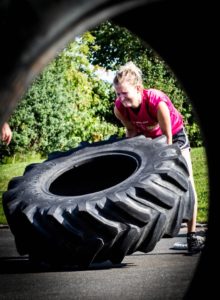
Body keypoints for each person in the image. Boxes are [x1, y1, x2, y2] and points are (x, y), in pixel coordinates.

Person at [113, 61, 204, 254]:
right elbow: (130, 131)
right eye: (118, 93)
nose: (121, 98)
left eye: (125, 93)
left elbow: (168, 138)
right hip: (146, 137)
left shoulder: (157, 101)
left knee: (187, 184)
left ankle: (192, 237)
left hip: (173, 136)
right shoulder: (120, 107)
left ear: (138, 88)